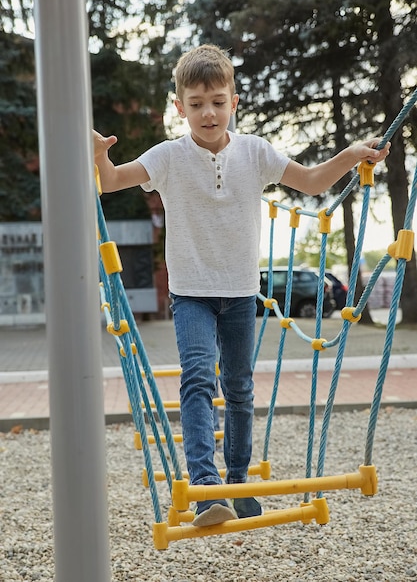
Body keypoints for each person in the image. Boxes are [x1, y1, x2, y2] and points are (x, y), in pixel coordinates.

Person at [93, 44, 390, 527]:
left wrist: (352, 155)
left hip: (240, 292)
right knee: (197, 380)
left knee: (239, 389)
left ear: (234, 102)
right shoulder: (168, 156)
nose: (207, 112)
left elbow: (313, 182)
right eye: (195, 103)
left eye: (216, 100)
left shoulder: (255, 152)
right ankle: (208, 490)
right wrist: (98, 158)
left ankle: (238, 485)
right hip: (190, 292)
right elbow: (110, 182)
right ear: (179, 106)